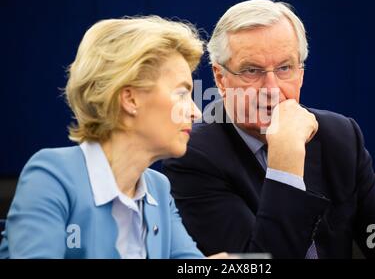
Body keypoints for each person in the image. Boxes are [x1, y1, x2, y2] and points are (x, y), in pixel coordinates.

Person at [162, 0, 375, 259]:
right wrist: (286, 162)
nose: (271, 89)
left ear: (301, 74)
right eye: (252, 71)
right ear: (220, 79)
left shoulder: (339, 135)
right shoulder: (192, 154)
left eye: (284, 68)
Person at [0, 16, 226, 259]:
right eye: (182, 93)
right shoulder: (52, 176)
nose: (196, 111)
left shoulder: (157, 189)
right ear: (130, 99)